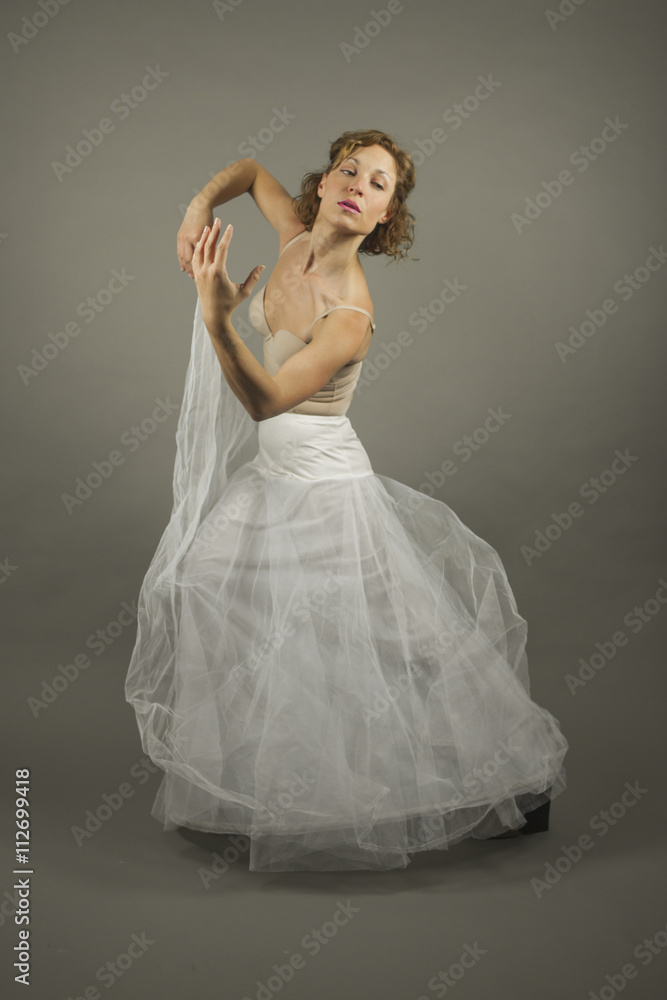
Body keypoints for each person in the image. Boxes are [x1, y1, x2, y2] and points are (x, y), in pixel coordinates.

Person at [125, 129, 568, 873]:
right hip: (271, 488)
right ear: (323, 186)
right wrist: (195, 208)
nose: (360, 184)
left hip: (328, 492)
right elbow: (248, 169)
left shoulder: (350, 314)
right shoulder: (293, 237)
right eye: (349, 170)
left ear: (383, 219)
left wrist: (216, 316)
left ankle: (513, 783)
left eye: (380, 184)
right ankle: (288, 789)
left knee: (395, 646)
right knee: (264, 632)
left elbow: (266, 402)